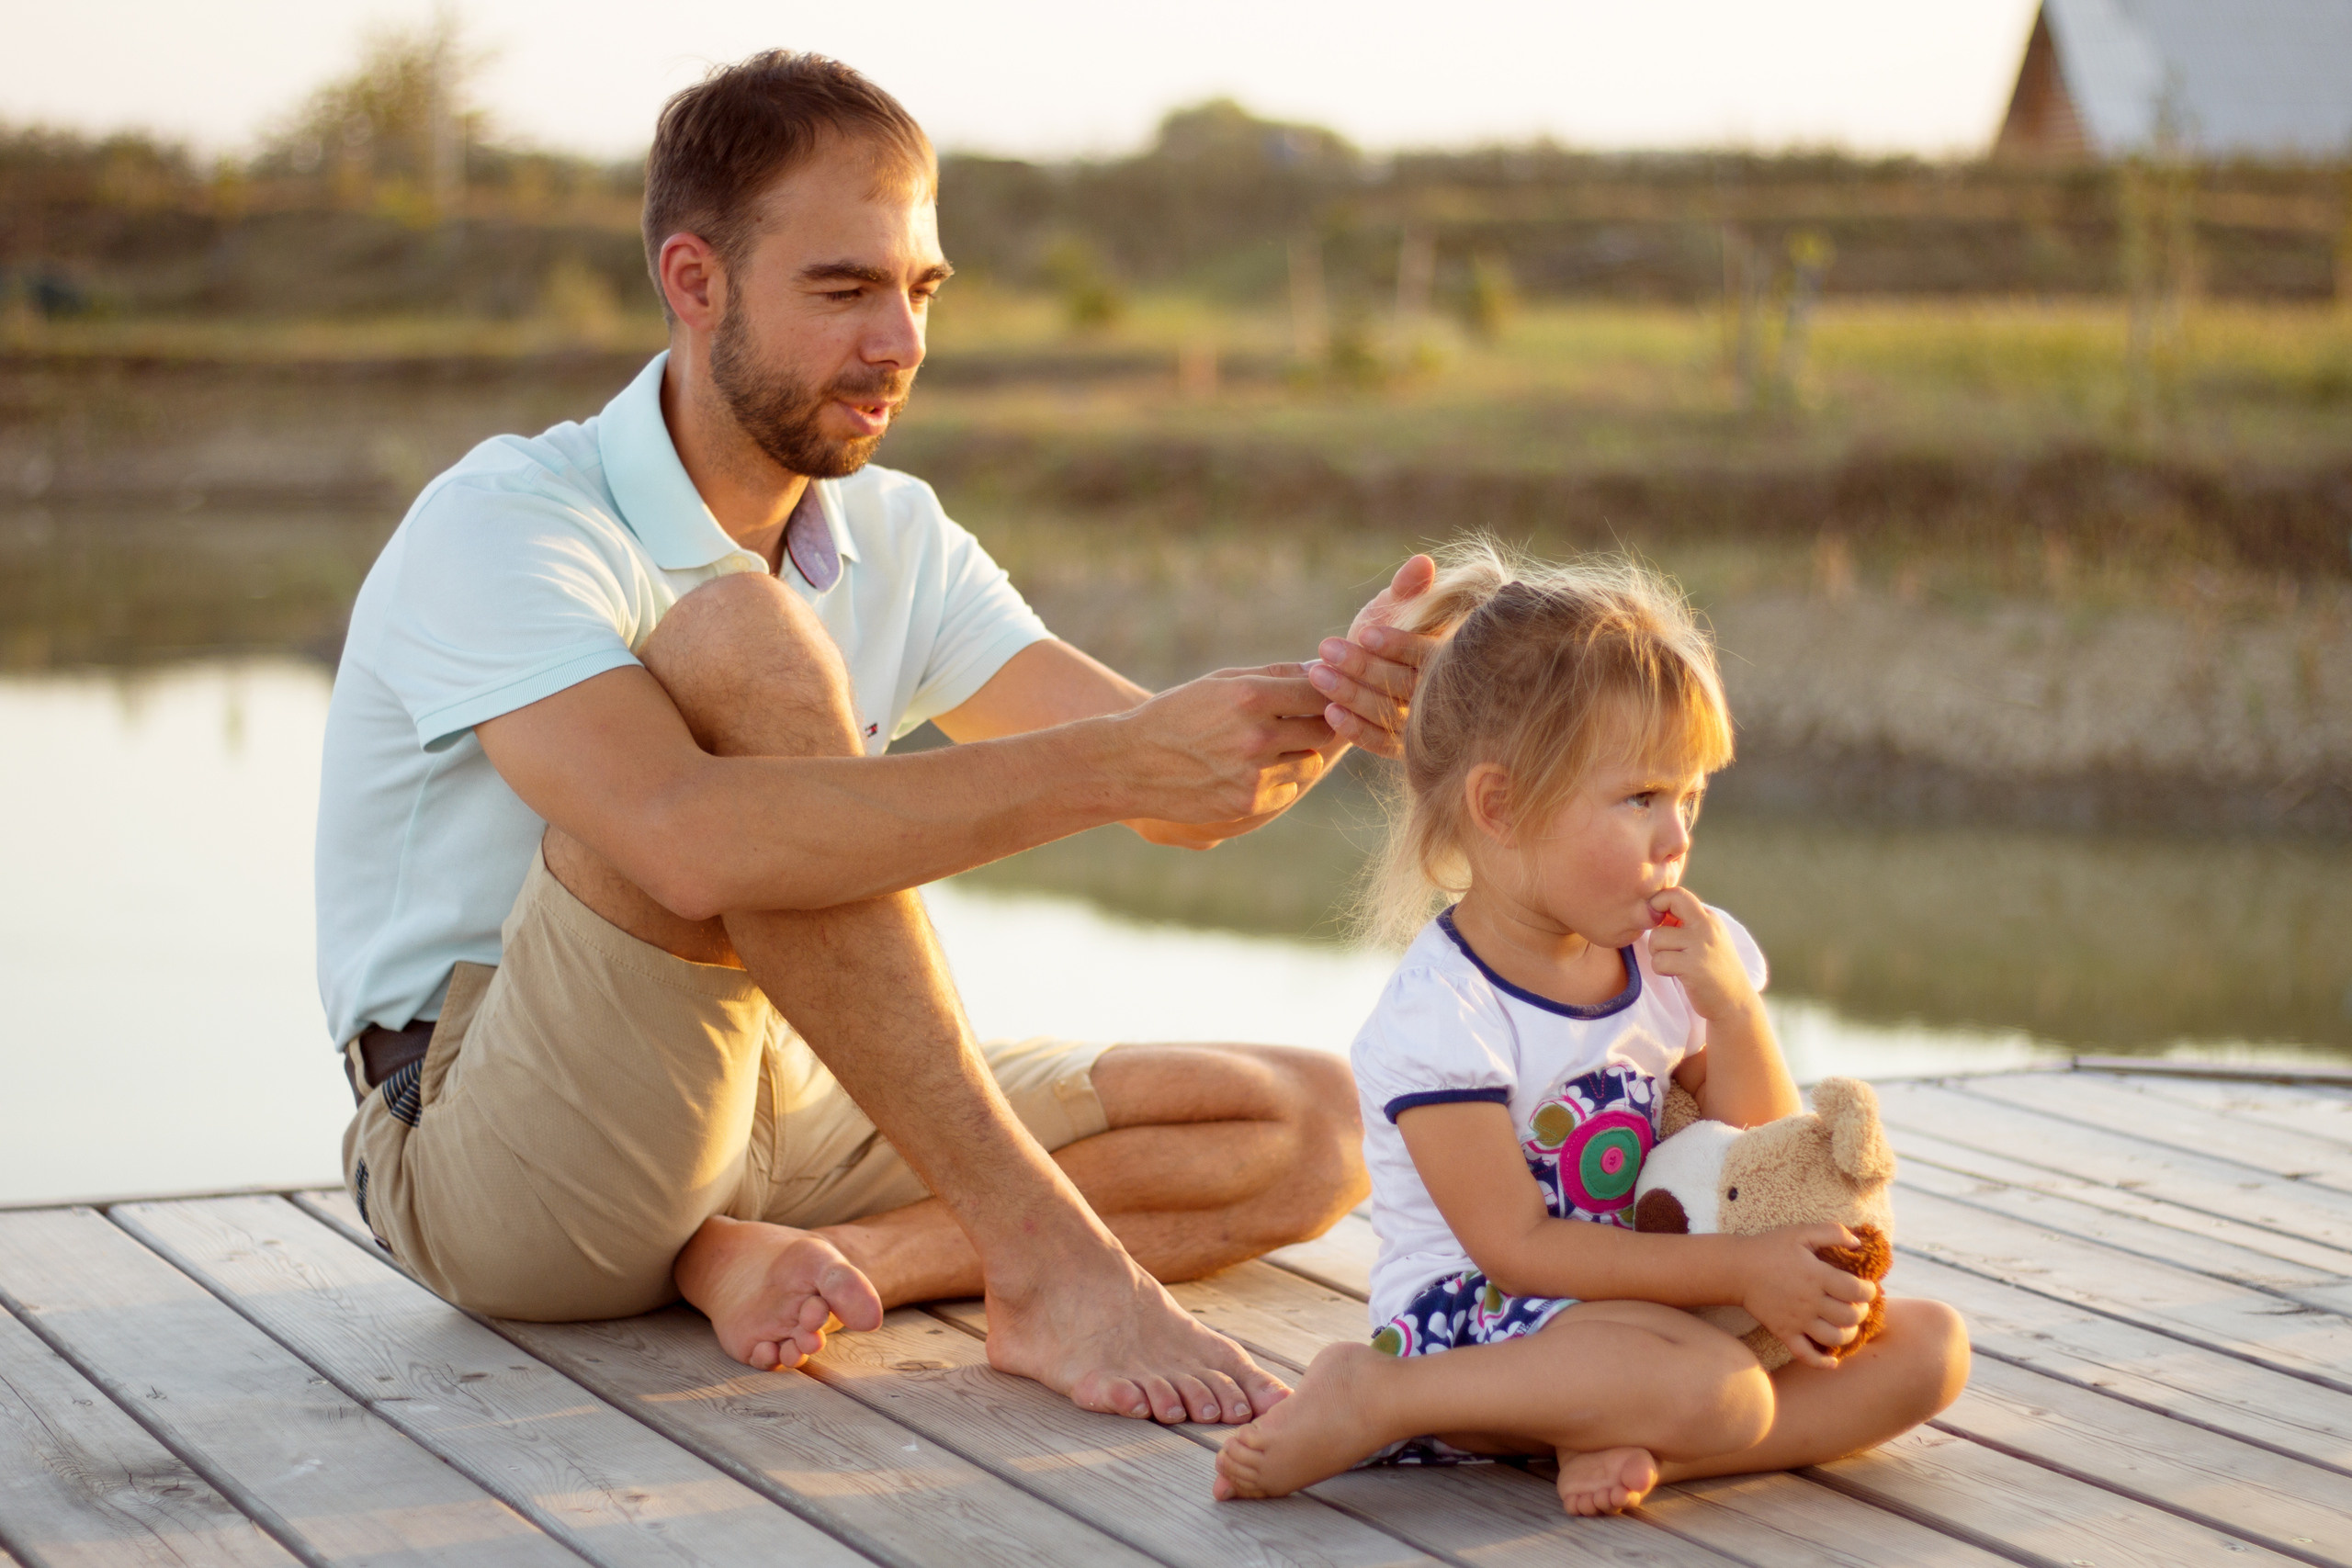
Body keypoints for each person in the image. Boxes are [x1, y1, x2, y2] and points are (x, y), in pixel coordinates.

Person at [317, 50, 1438, 1427]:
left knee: (1310, 1125)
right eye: (844, 289)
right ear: (694, 281)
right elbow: (682, 838)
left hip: (784, 1091)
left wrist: (1327, 699)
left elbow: (1172, 793)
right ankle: (1047, 1258)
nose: (899, 341)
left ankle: (825, 1262)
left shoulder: (897, 530)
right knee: (744, 643)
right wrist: (1117, 763)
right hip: (494, 1134)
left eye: (918, 291)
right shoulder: (507, 519)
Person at [1213, 543, 1968, 1509]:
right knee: (1720, 1388)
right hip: (1493, 1326)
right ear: (1502, 807)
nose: (1677, 836)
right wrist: (1739, 1271)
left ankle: (1647, 1452)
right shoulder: (1445, 1011)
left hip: (1660, 1310)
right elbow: (1515, 1246)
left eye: (1689, 797)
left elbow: (1765, 1158)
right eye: (1640, 799)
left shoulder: (1674, 959)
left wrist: (1730, 1009)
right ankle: (1384, 1395)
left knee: (1928, 1348)